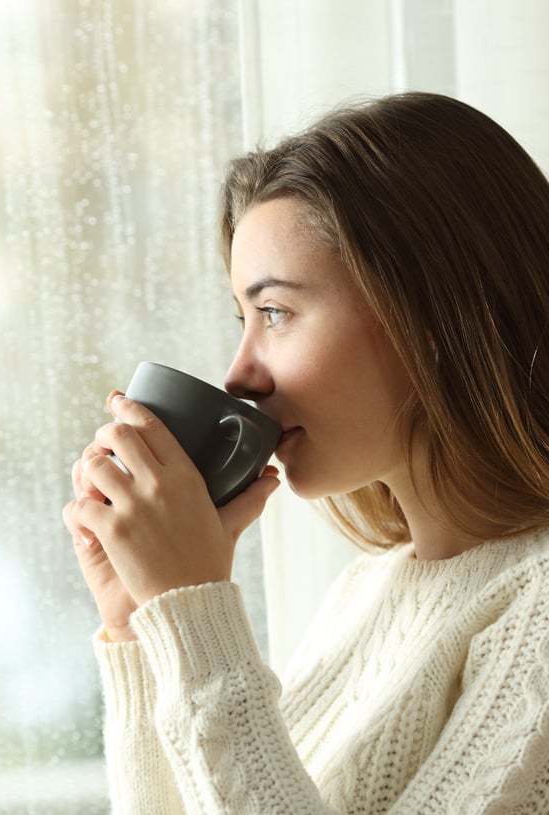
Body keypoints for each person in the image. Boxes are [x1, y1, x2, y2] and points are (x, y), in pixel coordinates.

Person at [62, 92, 549, 813]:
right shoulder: (362, 596)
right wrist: (143, 627)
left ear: (435, 316)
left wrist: (194, 616)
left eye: (277, 313)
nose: (239, 375)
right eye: (244, 318)